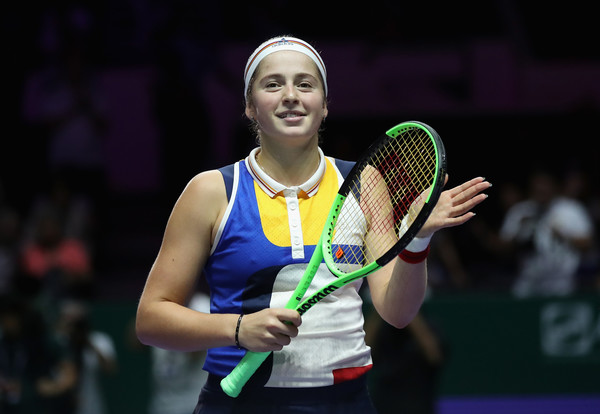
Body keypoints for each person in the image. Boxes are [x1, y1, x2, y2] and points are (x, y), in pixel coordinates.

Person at [136, 35, 491, 413]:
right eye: (273, 84)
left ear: (324, 106)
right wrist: (237, 329)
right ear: (250, 106)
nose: (291, 95)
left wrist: (417, 239)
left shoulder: (364, 183)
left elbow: (397, 313)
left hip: (346, 403)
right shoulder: (212, 191)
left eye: (305, 84)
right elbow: (151, 319)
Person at [499, 168, 594, 297]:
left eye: (545, 187)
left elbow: (587, 244)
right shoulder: (521, 211)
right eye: (537, 188)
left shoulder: (570, 209)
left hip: (561, 281)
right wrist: (519, 232)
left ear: (554, 187)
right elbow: (501, 248)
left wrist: (564, 235)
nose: (541, 191)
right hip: (528, 279)